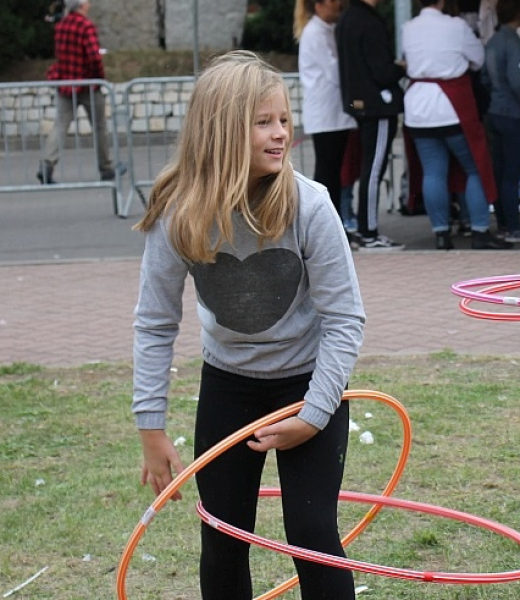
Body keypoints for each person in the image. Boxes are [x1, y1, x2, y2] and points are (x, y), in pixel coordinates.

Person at [132, 51, 365, 600]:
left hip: (308, 385)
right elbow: (154, 323)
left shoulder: (310, 205)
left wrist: (313, 415)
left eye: (284, 119)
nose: (280, 133)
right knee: (223, 539)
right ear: (220, 130)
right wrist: (150, 426)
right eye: (263, 122)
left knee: (311, 534)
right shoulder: (178, 212)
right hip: (229, 388)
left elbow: (344, 318)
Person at [403, 0, 510, 250]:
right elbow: (478, 59)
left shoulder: (409, 27)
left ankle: (441, 233)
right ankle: (479, 230)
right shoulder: (457, 26)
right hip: (452, 106)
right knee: (474, 168)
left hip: (418, 107)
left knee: (433, 171)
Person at [336, 0, 406, 251]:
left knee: (369, 168)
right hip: (378, 105)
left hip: (358, 104)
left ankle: (367, 229)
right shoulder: (369, 21)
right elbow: (381, 70)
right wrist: (400, 69)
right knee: (374, 169)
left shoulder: (346, 18)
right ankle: (369, 232)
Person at [294, 0, 358, 243]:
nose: (339, 4)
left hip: (333, 115)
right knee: (327, 173)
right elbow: (334, 72)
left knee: (332, 171)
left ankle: (333, 224)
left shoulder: (325, 29)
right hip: (326, 115)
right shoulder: (315, 32)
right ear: (319, 5)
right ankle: (324, 228)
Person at [483, 0, 520, 243]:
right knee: (512, 175)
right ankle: (514, 227)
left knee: (498, 173)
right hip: (514, 114)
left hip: (494, 112)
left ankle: (502, 223)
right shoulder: (515, 43)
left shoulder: (493, 41)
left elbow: (486, 79)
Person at [38, 0, 117, 185]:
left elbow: (60, 54)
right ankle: (106, 168)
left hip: (66, 83)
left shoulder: (61, 25)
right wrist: (99, 79)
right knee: (99, 128)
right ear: (81, 5)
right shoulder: (86, 26)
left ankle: (47, 165)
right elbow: (93, 57)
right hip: (87, 85)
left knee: (60, 125)